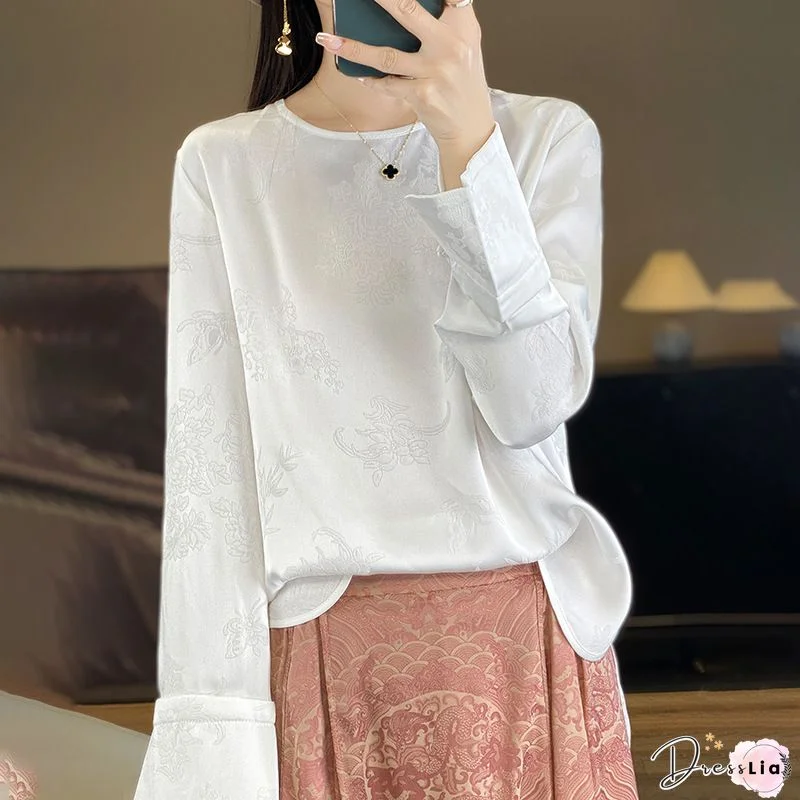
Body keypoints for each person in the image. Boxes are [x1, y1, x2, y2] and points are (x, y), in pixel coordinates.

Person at [133, 0, 639, 797]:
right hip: (327, 658)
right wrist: (213, 734)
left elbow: (533, 404)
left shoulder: (544, 136)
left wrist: (470, 148)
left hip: (524, 643)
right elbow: (211, 470)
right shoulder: (224, 163)